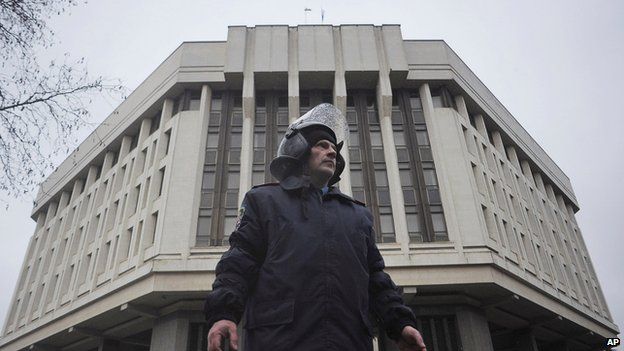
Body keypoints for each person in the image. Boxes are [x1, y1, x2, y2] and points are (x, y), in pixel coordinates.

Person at [204, 103, 427, 351]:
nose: (332, 152)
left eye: (334, 147)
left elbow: (376, 279)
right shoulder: (264, 202)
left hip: (349, 342)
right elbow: (238, 263)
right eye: (322, 145)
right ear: (299, 150)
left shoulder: (357, 215)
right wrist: (224, 313)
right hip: (280, 341)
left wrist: (401, 323)